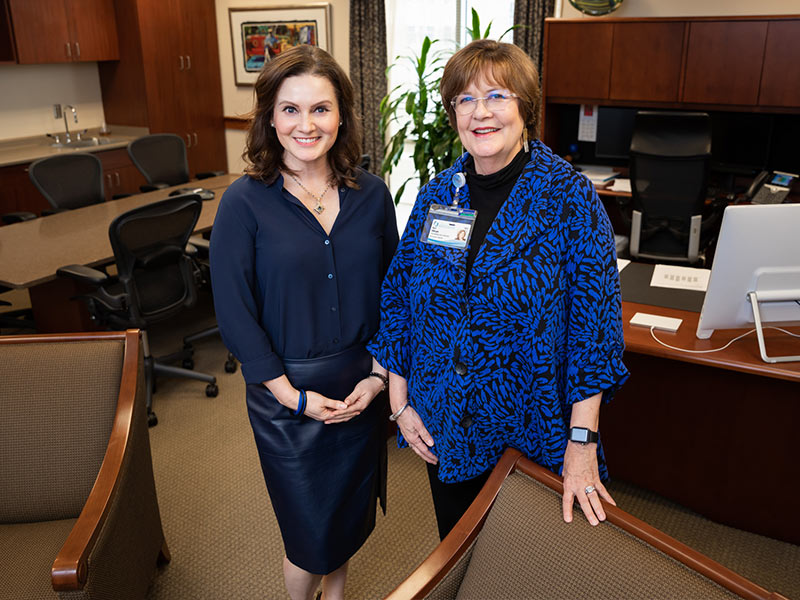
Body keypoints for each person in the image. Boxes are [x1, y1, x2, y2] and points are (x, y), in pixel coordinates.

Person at [368, 39, 629, 541]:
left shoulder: (569, 199)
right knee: (458, 549)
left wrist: (581, 444)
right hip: (444, 422)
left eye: (497, 96)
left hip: (528, 429)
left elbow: (593, 335)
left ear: (524, 108)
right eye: (465, 100)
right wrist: (399, 402)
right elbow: (401, 296)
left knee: (519, 568)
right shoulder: (439, 193)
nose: (480, 113)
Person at [210, 45, 398, 600]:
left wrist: (379, 378)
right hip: (284, 398)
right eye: (290, 110)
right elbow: (234, 311)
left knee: (344, 525)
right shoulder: (244, 203)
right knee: (307, 537)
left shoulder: (372, 195)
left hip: (360, 389)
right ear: (270, 117)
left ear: (341, 116)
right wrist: (290, 395)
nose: (306, 124)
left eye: (320, 109)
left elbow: (396, 295)